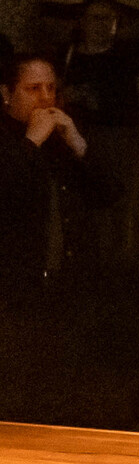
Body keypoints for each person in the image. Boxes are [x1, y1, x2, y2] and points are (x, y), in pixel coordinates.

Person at [59, 0, 139, 276]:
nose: (101, 24)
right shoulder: (67, 55)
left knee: (123, 217)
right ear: (82, 20)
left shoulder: (132, 58)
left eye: (108, 18)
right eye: (95, 17)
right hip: (79, 146)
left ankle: (123, 278)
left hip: (123, 147)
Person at [0, 54, 117, 291]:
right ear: (6, 94)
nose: (45, 98)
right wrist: (31, 142)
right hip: (16, 285)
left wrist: (77, 143)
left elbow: (109, 194)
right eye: (33, 88)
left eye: (50, 88)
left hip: (70, 281)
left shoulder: (61, 137)